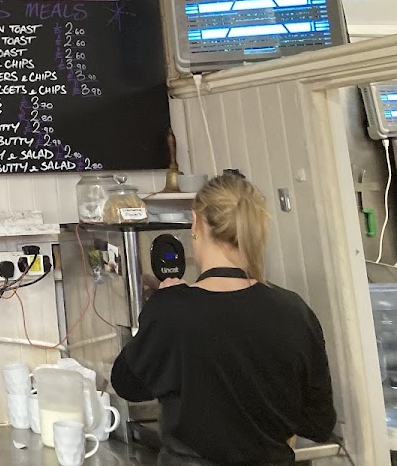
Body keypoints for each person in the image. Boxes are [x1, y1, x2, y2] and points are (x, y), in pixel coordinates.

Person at [111, 173, 336, 466]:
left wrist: (157, 310)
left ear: (196, 223)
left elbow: (127, 384)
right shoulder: (295, 311)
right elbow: (318, 423)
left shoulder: (171, 310)